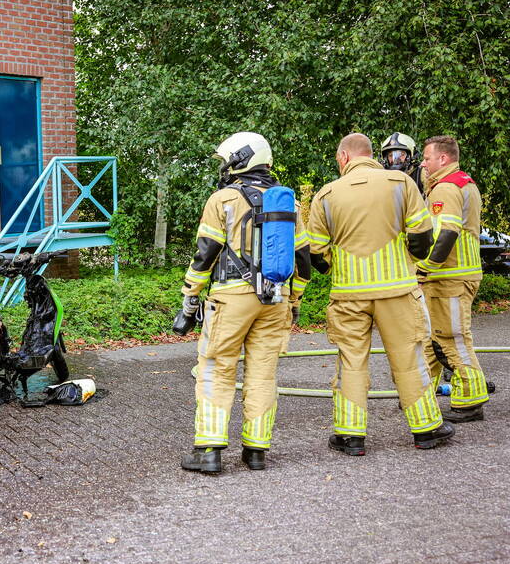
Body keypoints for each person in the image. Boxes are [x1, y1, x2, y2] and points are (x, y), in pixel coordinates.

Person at [307, 133, 454, 455]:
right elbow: (422, 236)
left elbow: (315, 252)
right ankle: (426, 429)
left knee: (351, 362)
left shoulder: (326, 194)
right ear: (372, 154)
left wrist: (336, 269)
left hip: (348, 295)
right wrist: (408, 261)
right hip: (397, 290)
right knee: (409, 358)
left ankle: (350, 436)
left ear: (344, 157)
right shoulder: (401, 183)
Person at [175, 132, 311, 473]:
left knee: (216, 368)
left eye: (227, 161)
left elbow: (206, 253)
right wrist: (294, 299)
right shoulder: (290, 204)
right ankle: (256, 451)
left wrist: (191, 294)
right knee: (263, 374)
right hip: (275, 299)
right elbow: (304, 260)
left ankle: (208, 450)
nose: (224, 167)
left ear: (241, 160)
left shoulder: (222, 199)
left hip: (231, 298)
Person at [416, 135, 489, 421]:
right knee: (432, 339)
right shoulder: (462, 183)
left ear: (443, 158)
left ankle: (470, 400)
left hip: (450, 278)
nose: (423, 163)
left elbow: (446, 233)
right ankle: (420, 394)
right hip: (454, 275)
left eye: (427, 158)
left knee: (451, 339)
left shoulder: (446, 188)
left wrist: (425, 268)